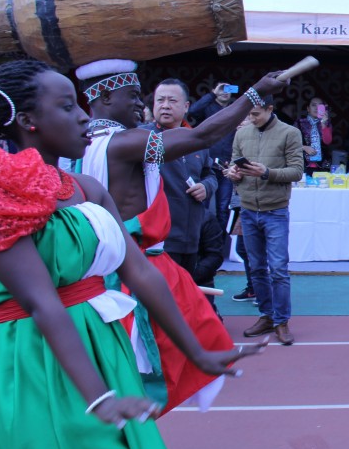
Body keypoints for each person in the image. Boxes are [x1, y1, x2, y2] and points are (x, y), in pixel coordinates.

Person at [0, 61, 263, 449]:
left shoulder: (87, 187)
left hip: (101, 343)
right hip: (32, 355)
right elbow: (41, 303)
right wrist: (98, 397)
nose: (83, 117)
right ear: (26, 121)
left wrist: (199, 352)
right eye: (67, 106)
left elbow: (141, 272)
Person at [77, 60, 283, 412]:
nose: (140, 105)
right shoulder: (124, 142)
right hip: (133, 270)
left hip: (116, 265)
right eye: (132, 96)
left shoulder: (82, 145)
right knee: (151, 366)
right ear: (106, 97)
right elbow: (202, 136)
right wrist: (255, 93)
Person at [226, 94, 304, 346]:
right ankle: (267, 316)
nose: (251, 118)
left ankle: (281, 321)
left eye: (256, 113)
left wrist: (267, 173)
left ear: (270, 109)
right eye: (248, 114)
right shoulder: (242, 134)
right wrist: (233, 173)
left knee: (279, 268)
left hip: (275, 211)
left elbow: (297, 171)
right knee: (257, 268)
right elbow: (234, 168)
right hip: (248, 210)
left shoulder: (289, 133)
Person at [147, 79, 218, 274]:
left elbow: (210, 174)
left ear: (186, 106)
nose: (165, 106)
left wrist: (206, 187)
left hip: (191, 234)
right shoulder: (142, 139)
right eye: (160, 100)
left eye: (172, 101)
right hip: (157, 238)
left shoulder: (196, 140)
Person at [188, 80, 237, 233]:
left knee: (223, 208)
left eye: (229, 88)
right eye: (222, 88)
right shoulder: (208, 107)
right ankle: (199, 242)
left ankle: (219, 247)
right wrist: (212, 94)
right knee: (202, 204)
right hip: (207, 164)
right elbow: (193, 111)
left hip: (227, 166)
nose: (225, 91)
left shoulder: (235, 109)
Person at [297, 96, 333, 175]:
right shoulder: (299, 123)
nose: (317, 108)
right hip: (303, 165)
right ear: (308, 109)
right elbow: (290, 143)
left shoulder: (326, 123)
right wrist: (304, 147)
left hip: (323, 166)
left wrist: (323, 123)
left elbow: (327, 142)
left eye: (320, 106)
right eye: (313, 105)